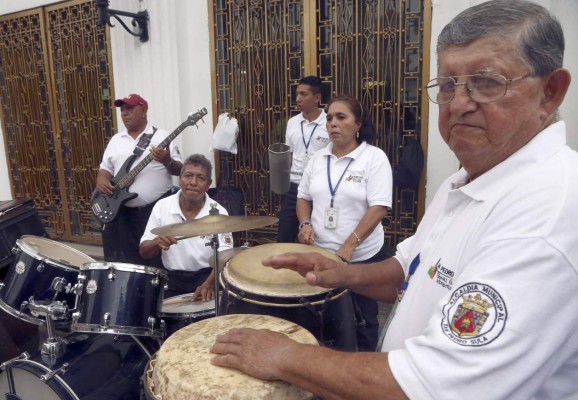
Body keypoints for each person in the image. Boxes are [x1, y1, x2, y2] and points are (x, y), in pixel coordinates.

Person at [210, 2, 578, 399]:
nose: (458, 103)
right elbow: (412, 270)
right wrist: (341, 274)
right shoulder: (466, 180)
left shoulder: (548, 209)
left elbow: (437, 384)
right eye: (448, 85)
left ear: (550, 92)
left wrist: (283, 355)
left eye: (486, 82)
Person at [296, 94, 393, 351]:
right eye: (329, 118)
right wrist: (304, 224)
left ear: (358, 124)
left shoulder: (374, 158)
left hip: (361, 256)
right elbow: (303, 198)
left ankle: (364, 375)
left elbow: (379, 207)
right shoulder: (318, 159)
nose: (332, 124)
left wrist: (351, 244)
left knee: (363, 321)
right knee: (324, 318)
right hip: (322, 253)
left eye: (341, 117)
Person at [95, 93, 183, 267]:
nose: (124, 113)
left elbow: (180, 170)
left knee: (157, 261)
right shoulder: (116, 140)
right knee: (127, 263)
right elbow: (105, 169)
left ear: (143, 110)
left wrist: (167, 160)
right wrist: (102, 180)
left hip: (153, 212)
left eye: (130, 108)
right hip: (122, 213)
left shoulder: (162, 137)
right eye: (122, 110)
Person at [140, 154, 233, 300]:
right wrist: (156, 241)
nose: (193, 182)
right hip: (171, 280)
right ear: (180, 179)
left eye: (200, 178)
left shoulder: (219, 213)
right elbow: (144, 251)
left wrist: (209, 284)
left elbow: (225, 258)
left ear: (208, 184)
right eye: (188, 176)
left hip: (207, 277)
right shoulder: (162, 206)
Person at [277, 76, 330, 243]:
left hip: (322, 187)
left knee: (318, 237)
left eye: (303, 94)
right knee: (284, 235)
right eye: (297, 94)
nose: (298, 99)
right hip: (296, 187)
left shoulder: (329, 122)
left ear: (317, 97)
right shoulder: (293, 122)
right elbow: (289, 153)